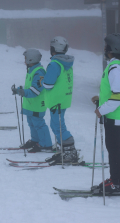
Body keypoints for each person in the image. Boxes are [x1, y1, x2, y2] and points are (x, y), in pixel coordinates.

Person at [91, 33, 120, 193]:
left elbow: (119, 95)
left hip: (114, 115)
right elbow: (115, 91)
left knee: (114, 148)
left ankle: (119, 182)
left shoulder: (115, 68)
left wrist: (101, 109)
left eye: (106, 46)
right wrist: (101, 99)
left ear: (111, 49)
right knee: (115, 148)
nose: (104, 48)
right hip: (116, 114)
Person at [42, 36, 78, 164]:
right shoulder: (67, 63)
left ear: (53, 49)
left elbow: (48, 84)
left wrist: (42, 80)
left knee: (58, 126)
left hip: (56, 100)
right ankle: (64, 150)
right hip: (63, 99)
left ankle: (69, 151)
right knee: (57, 124)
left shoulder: (54, 64)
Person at [12, 49, 52, 152]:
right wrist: (19, 90)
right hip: (30, 104)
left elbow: (35, 91)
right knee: (32, 123)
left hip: (37, 104)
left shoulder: (39, 72)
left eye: (25, 58)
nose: (24, 60)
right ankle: (35, 140)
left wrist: (23, 92)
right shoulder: (31, 70)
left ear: (31, 59)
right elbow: (29, 86)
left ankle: (46, 144)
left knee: (39, 124)